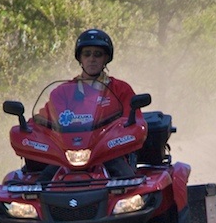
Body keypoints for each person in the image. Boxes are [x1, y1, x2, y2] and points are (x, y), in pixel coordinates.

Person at [37, 29, 139, 180]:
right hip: (66, 157)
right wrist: (26, 130)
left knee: (130, 184)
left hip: (109, 154)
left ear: (106, 58)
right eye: (87, 54)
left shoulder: (121, 89)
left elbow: (134, 122)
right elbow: (42, 122)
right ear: (80, 58)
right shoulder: (61, 92)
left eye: (98, 54)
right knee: (39, 185)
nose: (92, 59)